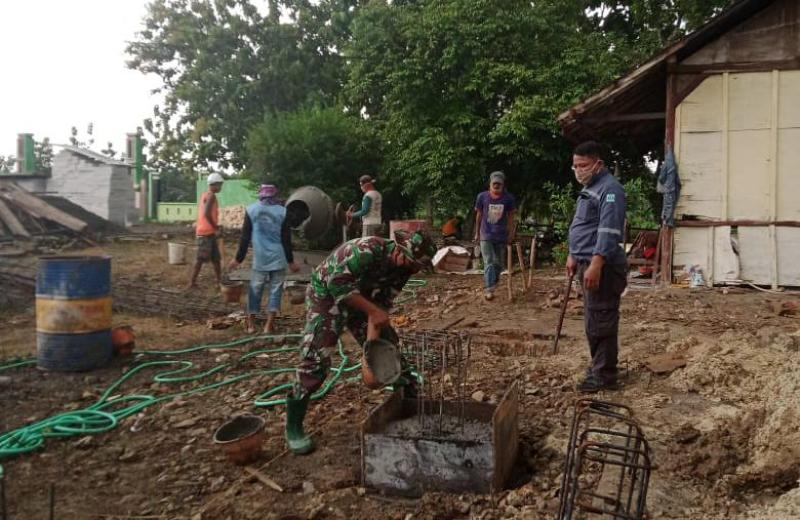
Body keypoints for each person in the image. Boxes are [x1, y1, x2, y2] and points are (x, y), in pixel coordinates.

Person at [285, 230, 437, 455]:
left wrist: (373, 347)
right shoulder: (366, 250)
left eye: (418, 267)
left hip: (362, 300)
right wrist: (374, 312)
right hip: (327, 294)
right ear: (399, 250)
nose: (413, 269)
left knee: (389, 346)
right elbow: (338, 286)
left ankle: (410, 403)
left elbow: (382, 302)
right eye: (412, 263)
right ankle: (293, 427)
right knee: (317, 358)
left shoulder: (405, 268)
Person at [566, 141, 628, 393]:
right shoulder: (591, 188)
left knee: (601, 318)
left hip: (601, 267)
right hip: (586, 262)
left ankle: (604, 375)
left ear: (598, 164)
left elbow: (608, 230)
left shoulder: (610, 190)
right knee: (593, 319)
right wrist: (573, 254)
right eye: (575, 166)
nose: (578, 170)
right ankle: (599, 367)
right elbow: (584, 225)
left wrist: (596, 263)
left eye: (582, 165)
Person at [228, 184, 300, 334]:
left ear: (261, 195)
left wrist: (238, 259)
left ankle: (251, 325)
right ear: (275, 196)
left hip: (260, 259)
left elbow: (245, 237)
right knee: (275, 290)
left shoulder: (251, 210)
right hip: (278, 257)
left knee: (255, 290)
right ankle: (268, 325)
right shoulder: (283, 211)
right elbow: (286, 239)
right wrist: (291, 262)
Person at [473, 171, 516, 300]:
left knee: (499, 264)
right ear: (490, 184)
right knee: (489, 262)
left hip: (501, 235)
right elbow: (479, 215)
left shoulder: (508, 199)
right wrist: (476, 232)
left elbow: (511, 218)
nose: (496, 186)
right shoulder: (482, 197)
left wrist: (511, 234)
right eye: (494, 183)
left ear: (503, 185)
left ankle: (493, 281)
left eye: (499, 184)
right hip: (486, 234)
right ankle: (489, 289)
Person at [188, 173, 224, 289]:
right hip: (205, 233)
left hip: (209, 232)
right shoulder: (211, 196)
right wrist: (216, 227)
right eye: (220, 185)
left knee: (216, 259)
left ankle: (219, 282)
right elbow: (207, 214)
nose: (220, 187)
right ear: (214, 184)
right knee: (200, 259)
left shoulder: (206, 195)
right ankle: (192, 283)